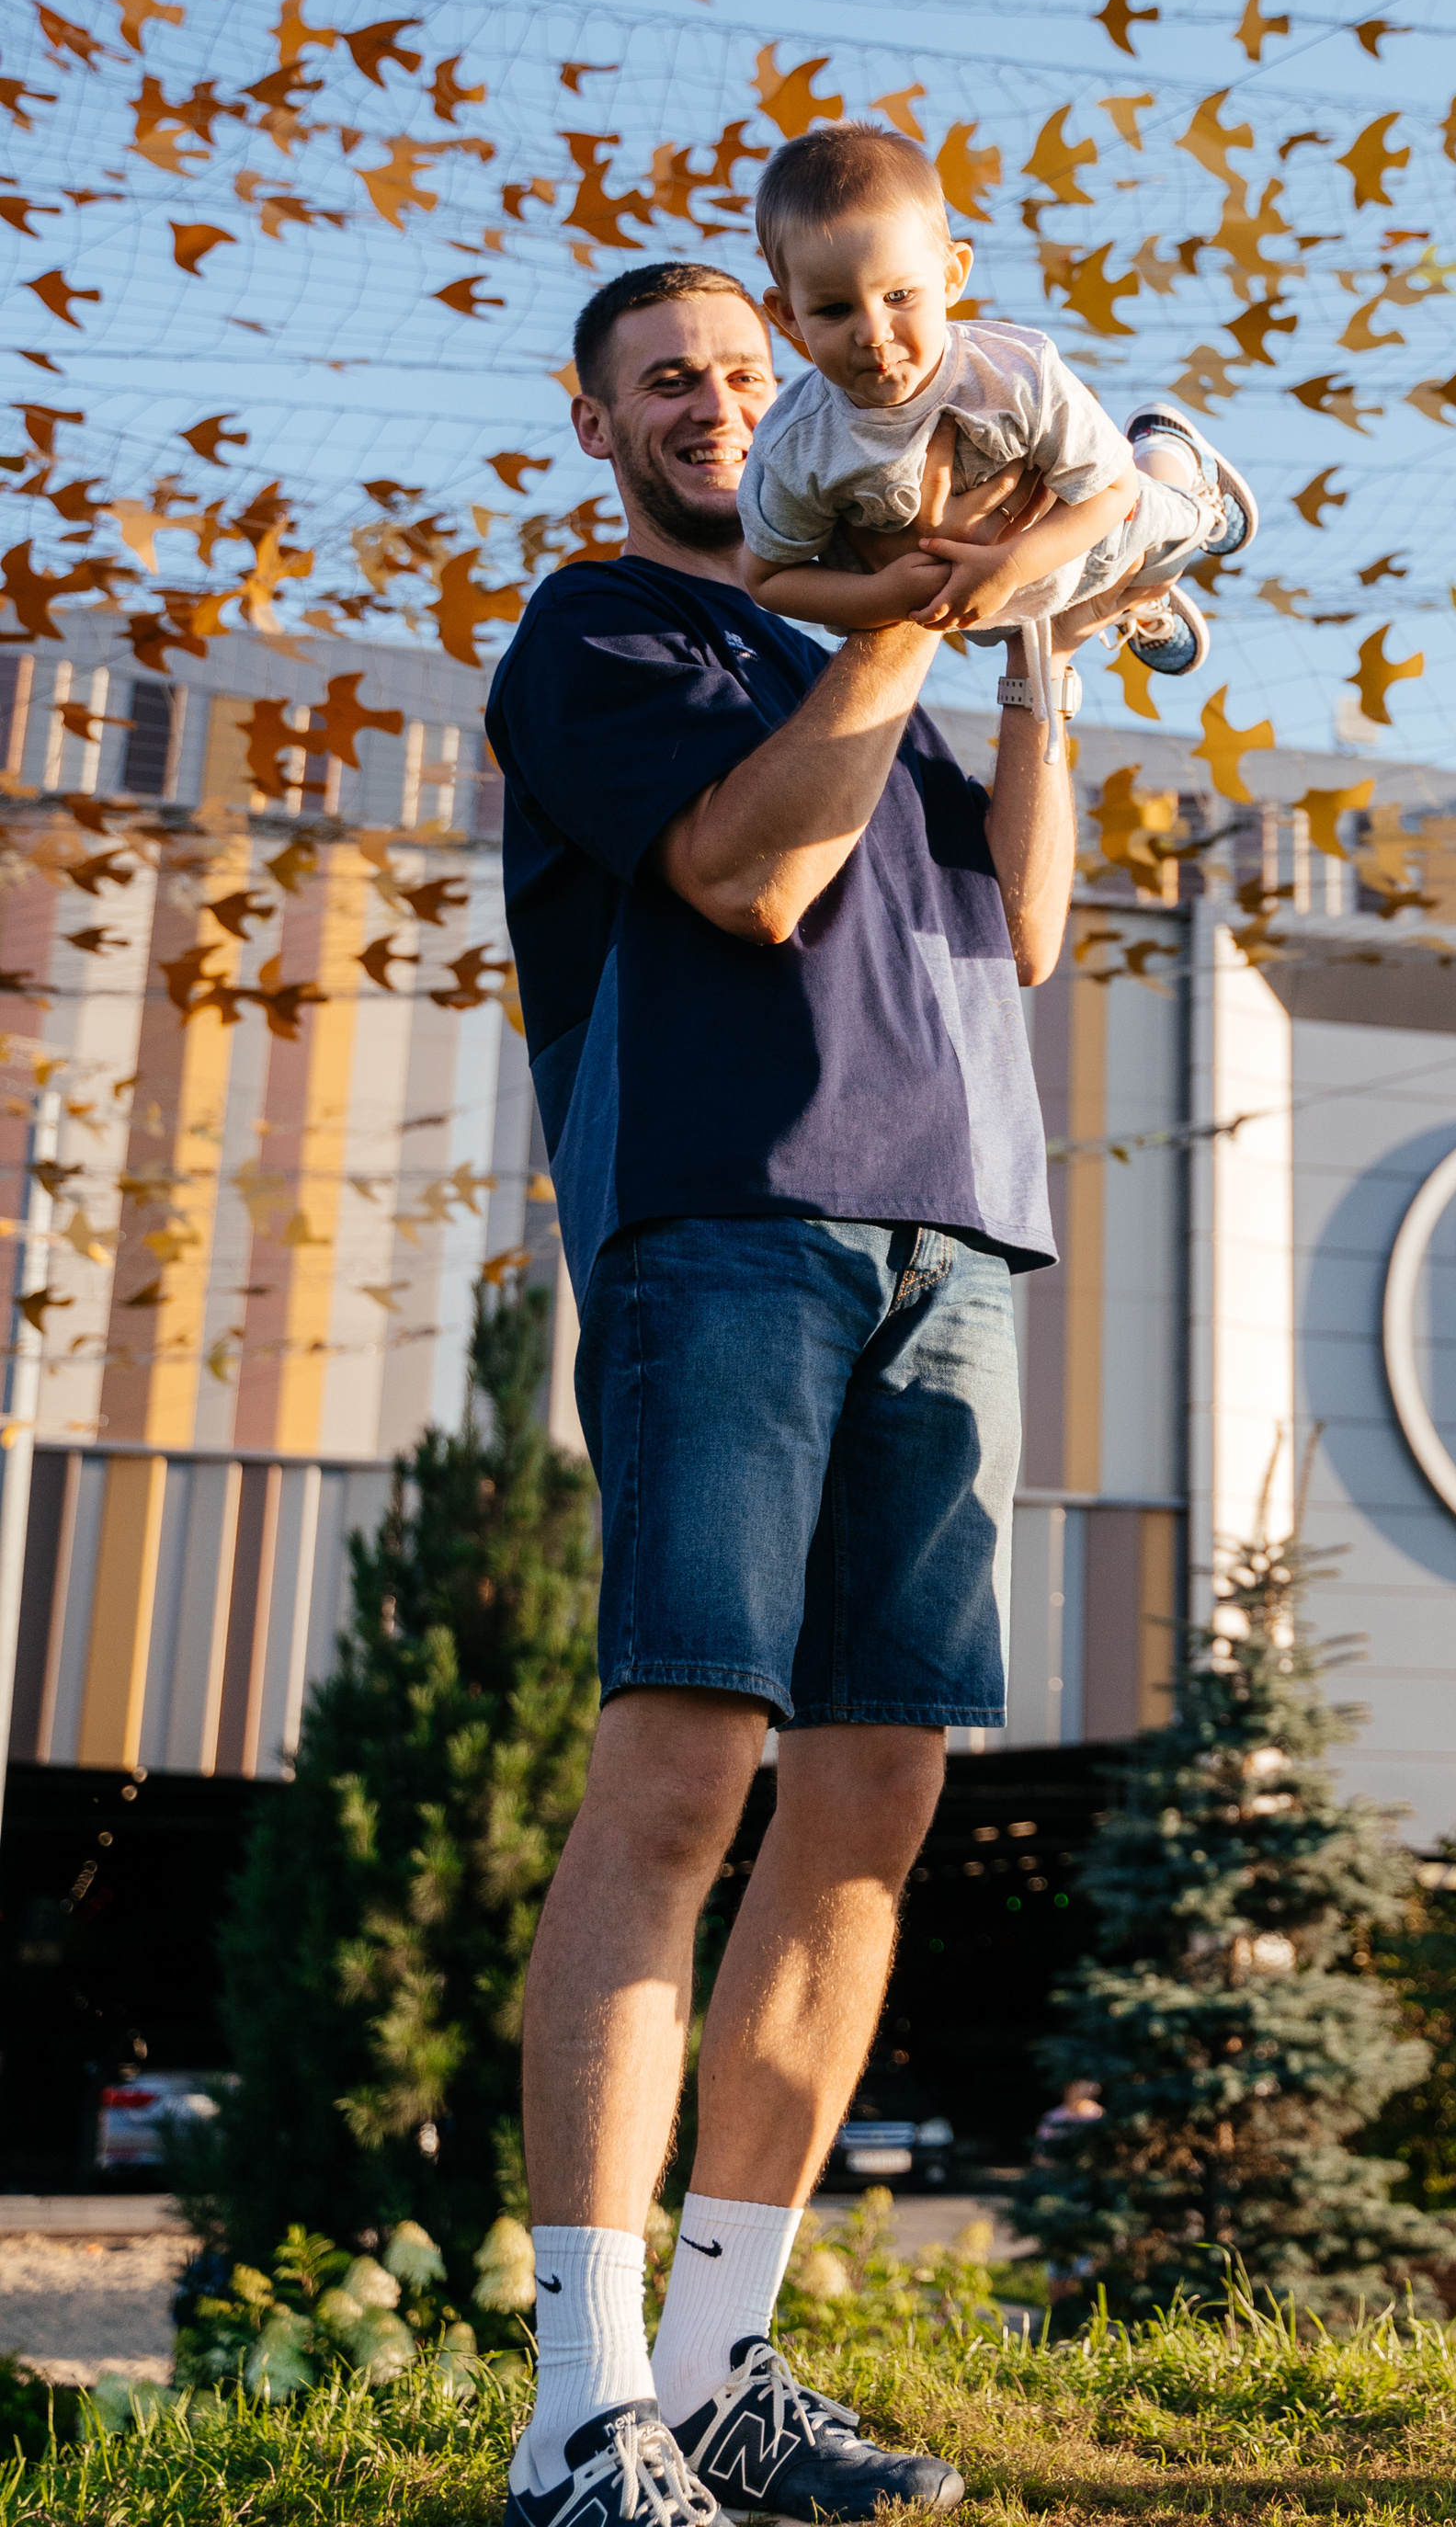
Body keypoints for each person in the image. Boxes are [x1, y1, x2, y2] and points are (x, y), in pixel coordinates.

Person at [484, 256, 1083, 2527]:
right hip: (725, 1223)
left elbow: (1022, 929)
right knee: (683, 1765)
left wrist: (1034, 624)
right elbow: (749, 873)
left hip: (960, 1232)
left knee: (873, 1803)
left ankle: (728, 2358)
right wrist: (922, 608)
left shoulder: (877, 672)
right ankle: (581, 2400)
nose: (725, 405)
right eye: (672, 382)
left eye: (751, 370)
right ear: (598, 422)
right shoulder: (600, 636)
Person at [737, 120, 1254, 682]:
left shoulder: (1013, 374)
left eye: (899, 295)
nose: (873, 333)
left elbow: (1112, 490)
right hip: (984, 610)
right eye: (834, 310)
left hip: (1090, 532)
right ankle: (1130, 594)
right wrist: (880, 595)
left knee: (1163, 523)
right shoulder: (796, 445)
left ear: (952, 275)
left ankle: (1179, 472)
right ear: (788, 315)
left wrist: (1011, 566)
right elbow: (768, 578)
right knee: (1017, 626)